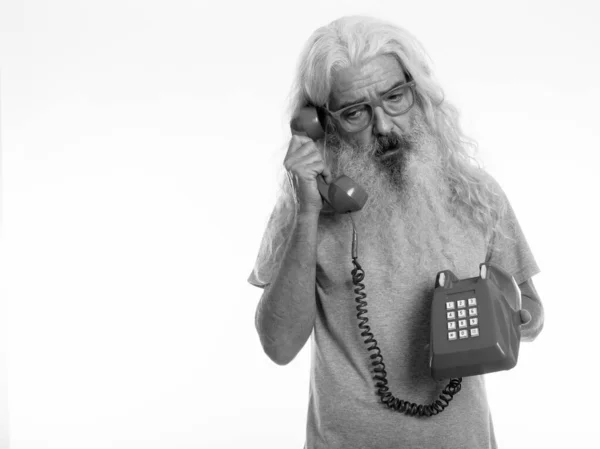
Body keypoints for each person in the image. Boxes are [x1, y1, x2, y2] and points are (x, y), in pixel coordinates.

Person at [247, 15, 544, 449]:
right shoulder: (304, 208)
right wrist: (309, 211)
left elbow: (532, 308)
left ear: (416, 90)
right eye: (354, 112)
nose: (383, 126)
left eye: (394, 97)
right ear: (320, 121)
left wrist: (516, 319)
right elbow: (278, 347)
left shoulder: (476, 193)